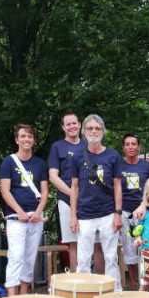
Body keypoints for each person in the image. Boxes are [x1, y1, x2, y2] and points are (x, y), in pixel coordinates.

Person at [70, 114, 123, 288]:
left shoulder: (113, 155)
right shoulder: (77, 157)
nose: (94, 131)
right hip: (85, 214)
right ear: (84, 131)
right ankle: (83, 296)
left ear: (103, 131)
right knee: (83, 259)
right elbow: (75, 187)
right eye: (90, 128)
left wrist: (118, 213)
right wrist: (73, 216)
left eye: (98, 128)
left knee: (111, 258)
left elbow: (117, 185)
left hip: (108, 213)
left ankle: (115, 293)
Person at [0, 124, 49, 295]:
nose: (26, 139)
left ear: (33, 140)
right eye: (23, 136)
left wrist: (38, 212)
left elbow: (45, 192)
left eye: (29, 136)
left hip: (35, 216)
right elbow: (5, 190)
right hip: (15, 217)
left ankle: (24, 292)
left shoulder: (40, 164)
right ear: (17, 140)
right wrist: (19, 211)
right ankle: (11, 295)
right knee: (16, 256)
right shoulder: (8, 162)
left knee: (30, 257)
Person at [48, 113, 86, 271]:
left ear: (79, 124)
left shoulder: (87, 145)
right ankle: (76, 281)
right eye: (68, 124)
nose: (72, 127)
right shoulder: (58, 147)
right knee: (73, 243)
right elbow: (52, 176)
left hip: (87, 201)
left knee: (90, 241)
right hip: (65, 200)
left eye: (74, 123)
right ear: (63, 127)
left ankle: (91, 280)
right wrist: (72, 193)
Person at [118, 134, 149, 289]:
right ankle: (133, 282)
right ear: (123, 148)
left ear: (139, 147)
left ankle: (148, 281)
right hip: (126, 213)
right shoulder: (118, 166)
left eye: (134, 144)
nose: (131, 147)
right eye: (127, 144)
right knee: (129, 247)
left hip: (144, 211)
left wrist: (144, 205)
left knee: (147, 245)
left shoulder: (147, 167)